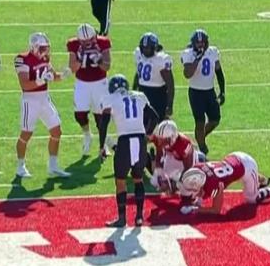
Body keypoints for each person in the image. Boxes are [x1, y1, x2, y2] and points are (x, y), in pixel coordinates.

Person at [98, 74, 158, 228]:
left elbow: (103, 125)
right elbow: (154, 116)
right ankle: (139, 217)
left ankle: (122, 218)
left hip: (124, 141)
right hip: (139, 139)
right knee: (138, 178)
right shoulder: (139, 96)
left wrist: (101, 146)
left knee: (120, 181)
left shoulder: (109, 99)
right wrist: (147, 134)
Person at [14, 32, 70, 178]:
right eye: (42, 48)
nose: (45, 51)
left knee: (56, 131)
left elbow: (52, 75)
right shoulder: (22, 59)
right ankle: (20, 166)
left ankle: (53, 166)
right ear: (34, 47)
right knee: (26, 133)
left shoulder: (45, 57)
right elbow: (24, 84)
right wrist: (41, 80)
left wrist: (62, 75)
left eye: (46, 48)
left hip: (44, 98)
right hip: (30, 100)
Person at [178, 151, 270, 215]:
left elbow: (216, 210)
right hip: (234, 157)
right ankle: (263, 180)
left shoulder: (213, 185)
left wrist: (196, 209)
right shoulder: (198, 167)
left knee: (251, 199)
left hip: (247, 168)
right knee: (242, 175)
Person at [66, 23, 114, 156]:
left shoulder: (103, 42)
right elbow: (72, 67)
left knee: (100, 116)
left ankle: (103, 143)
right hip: (82, 82)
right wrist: (80, 59)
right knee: (79, 114)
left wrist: (99, 61)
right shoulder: (73, 44)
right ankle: (87, 134)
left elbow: (107, 67)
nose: (87, 43)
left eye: (90, 40)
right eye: (84, 41)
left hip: (100, 82)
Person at [180, 29, 225, 156]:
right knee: (199, 122)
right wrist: (197, 59)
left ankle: (198, 139)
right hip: (196, 93)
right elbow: (187, 74)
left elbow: (218, 71)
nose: (201, 45)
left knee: (215, 120)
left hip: (210, 91)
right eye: (198, 43)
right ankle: (202, 148)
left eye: (203, 43)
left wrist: (222, 91)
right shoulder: (188, 54)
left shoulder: (212, 52)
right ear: (193, 43)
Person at [149, 120, 206, 195]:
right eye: (160, 139)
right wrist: (160, 175)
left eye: (164, 140)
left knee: (186, 186)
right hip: (172, 157)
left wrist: (176, 184)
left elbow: (188, 167)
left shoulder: (183, 143)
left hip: (187, 161)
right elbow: (159, 155)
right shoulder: (159, 138)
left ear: (173, 137)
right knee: (156, 182)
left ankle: (201, 158)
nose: (161, 142)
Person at [133, 32, 175, 133]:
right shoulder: (138, 54)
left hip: (158, 95)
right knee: (141, 126)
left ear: (154, 48)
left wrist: (169, 104)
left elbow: (170, 84)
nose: (146, 50)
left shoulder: (161, 59)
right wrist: (133, 90)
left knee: (161, 127)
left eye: (149, 48)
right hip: (142, 92)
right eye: (144, 47)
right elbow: (138, 74)